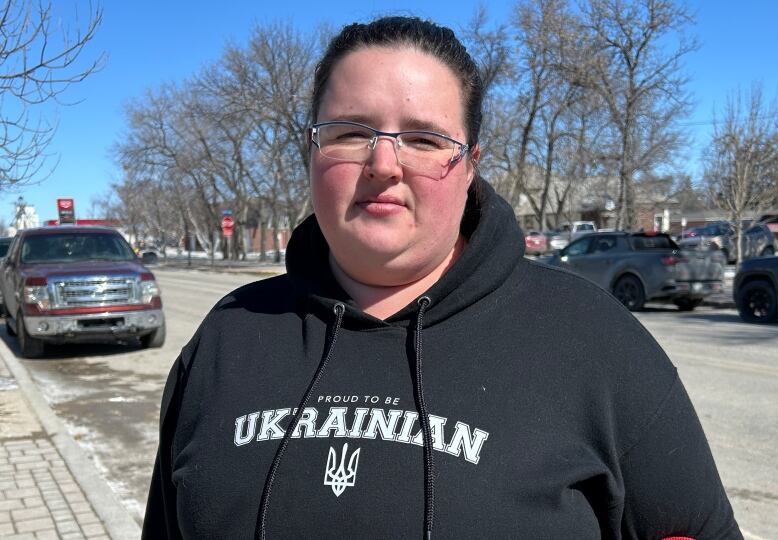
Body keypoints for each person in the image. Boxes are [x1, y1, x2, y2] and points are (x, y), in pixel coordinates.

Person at [143, 16, 741, 539]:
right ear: (310, 150)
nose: (383, 164)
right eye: (352, 132)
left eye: (425, 139)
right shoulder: (226, 340)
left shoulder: (594, 343)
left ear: (470, 166)